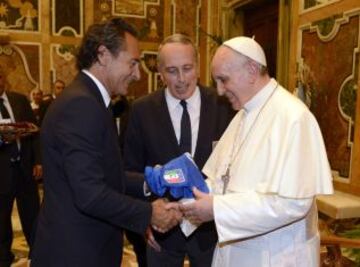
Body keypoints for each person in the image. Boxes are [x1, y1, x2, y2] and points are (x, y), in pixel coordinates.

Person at [30, 18, 182, 267]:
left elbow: (104, 174)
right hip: (76, 254)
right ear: (102, 55)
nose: (138, 73)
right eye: (132, 63)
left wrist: (153, 179)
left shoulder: (89, 100)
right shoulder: (81, 105)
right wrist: (149, 214)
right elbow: (90, 193)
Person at [180, 36, 334, 267]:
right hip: (234, 252)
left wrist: (216, 209)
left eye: (224, 80)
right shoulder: (243, 114)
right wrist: (190, 202)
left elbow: (294, 203)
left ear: (252, 70)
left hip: (275, 256)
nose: (220, 91)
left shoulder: (293, 117)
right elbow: (222, 178)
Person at [124, 34, 234, 267]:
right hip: (162, 231)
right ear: (160, 73)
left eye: (187, 68)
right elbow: (128, 172)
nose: (181, 79)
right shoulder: (140, 111)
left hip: (212, 231)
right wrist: (144, 218)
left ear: (198, 67)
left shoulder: (223, 105)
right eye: (172, 71)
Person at [0, 66, 42, 267]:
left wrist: (38, 161)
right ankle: (3, 258)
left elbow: (35, 133)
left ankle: (38, 254)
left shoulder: (19, 100)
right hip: (1, 174)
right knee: (1, 220)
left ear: (4, 78)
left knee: (33, 215)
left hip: (25, 169)